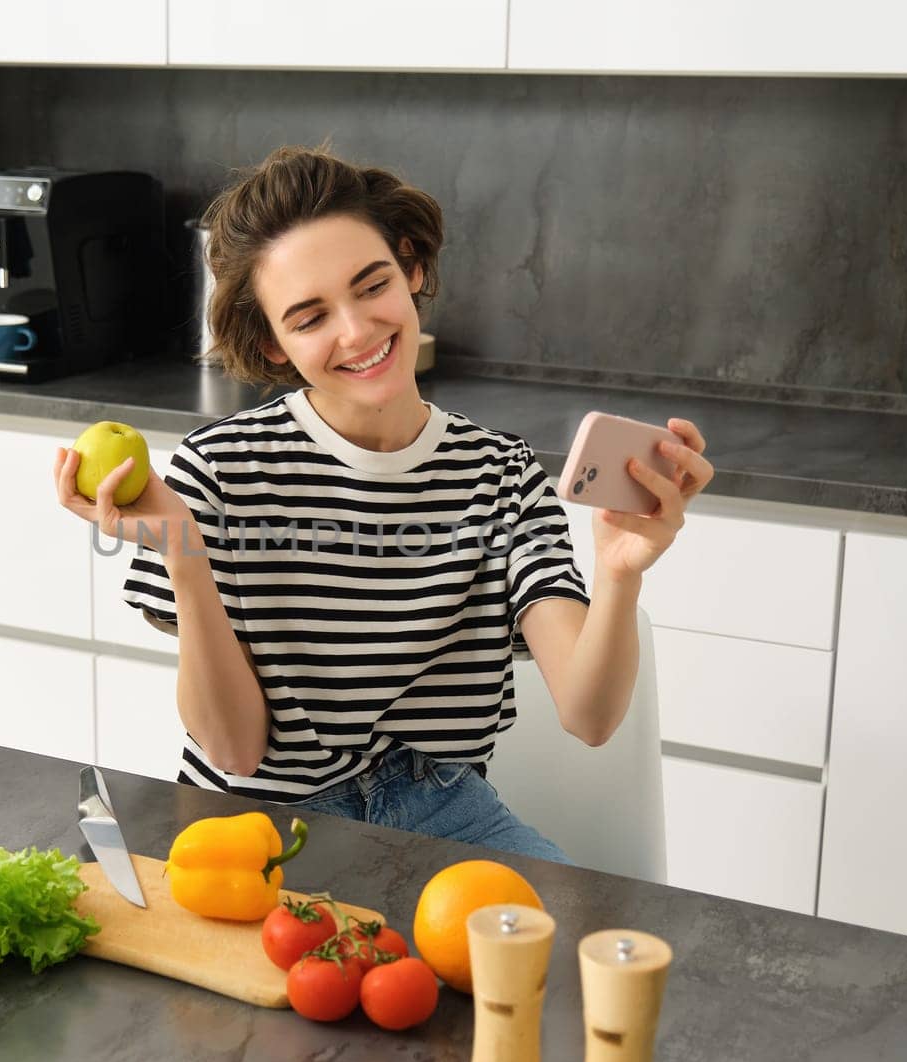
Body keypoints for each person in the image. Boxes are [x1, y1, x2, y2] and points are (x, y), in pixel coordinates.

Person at [54, 145, 714, 864]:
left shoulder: (500, 475)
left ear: (412, 268)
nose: (358, 330)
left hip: (446, 811)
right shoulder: (217, 469)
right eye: (309, 318)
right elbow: (236, 752)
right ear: (273, 345)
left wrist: (620, 570)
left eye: (372, 285)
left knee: (555, 959)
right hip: (260, 819)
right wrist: (185, 555)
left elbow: (589, 717)